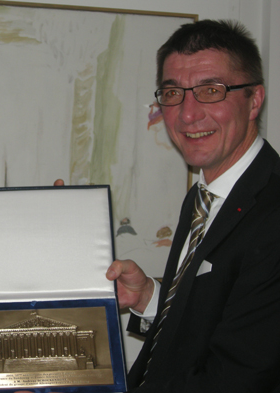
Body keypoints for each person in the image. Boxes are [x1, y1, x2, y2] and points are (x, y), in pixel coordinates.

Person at [104, 20, 280, 392]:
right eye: (172, 94)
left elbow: (240, 377)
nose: (187, 114)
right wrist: (151, 296)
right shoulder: (203, 197)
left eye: (211, 91)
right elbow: (211, 321)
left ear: (254, 100)